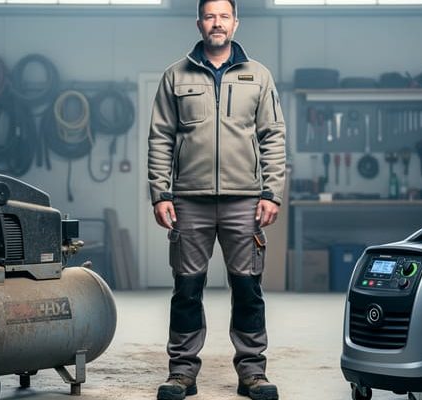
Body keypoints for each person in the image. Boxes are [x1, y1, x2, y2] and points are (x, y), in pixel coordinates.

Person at [147, 1, 286, 399]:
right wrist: (161, 193)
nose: (217, 23)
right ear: (199, 23)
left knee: (247, 287)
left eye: (224, 16)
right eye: (210, 16)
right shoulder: (176, 75)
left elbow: (273, 136)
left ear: (235, 23)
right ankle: (182, 373)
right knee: (187, 288)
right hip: (190, 200)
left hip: (245, 200)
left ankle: (252, 373)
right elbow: (160, 137)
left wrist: (271, 192)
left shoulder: (258, 76)